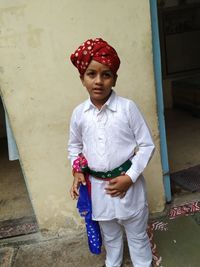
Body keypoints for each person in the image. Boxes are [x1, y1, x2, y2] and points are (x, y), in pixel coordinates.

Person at [68, 37, 155, 267]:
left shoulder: (127, 108)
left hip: (130, 190)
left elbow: (147, 145)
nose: (99, 81)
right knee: (111, 238)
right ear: (81, 78)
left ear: (114, 79)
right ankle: (112, 263)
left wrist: (130, 177)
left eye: (106, 74)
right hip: (99, 191)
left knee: (137, 237)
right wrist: (77, 171)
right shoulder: (79, 114)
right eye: (91, 74)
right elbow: (74, 146)